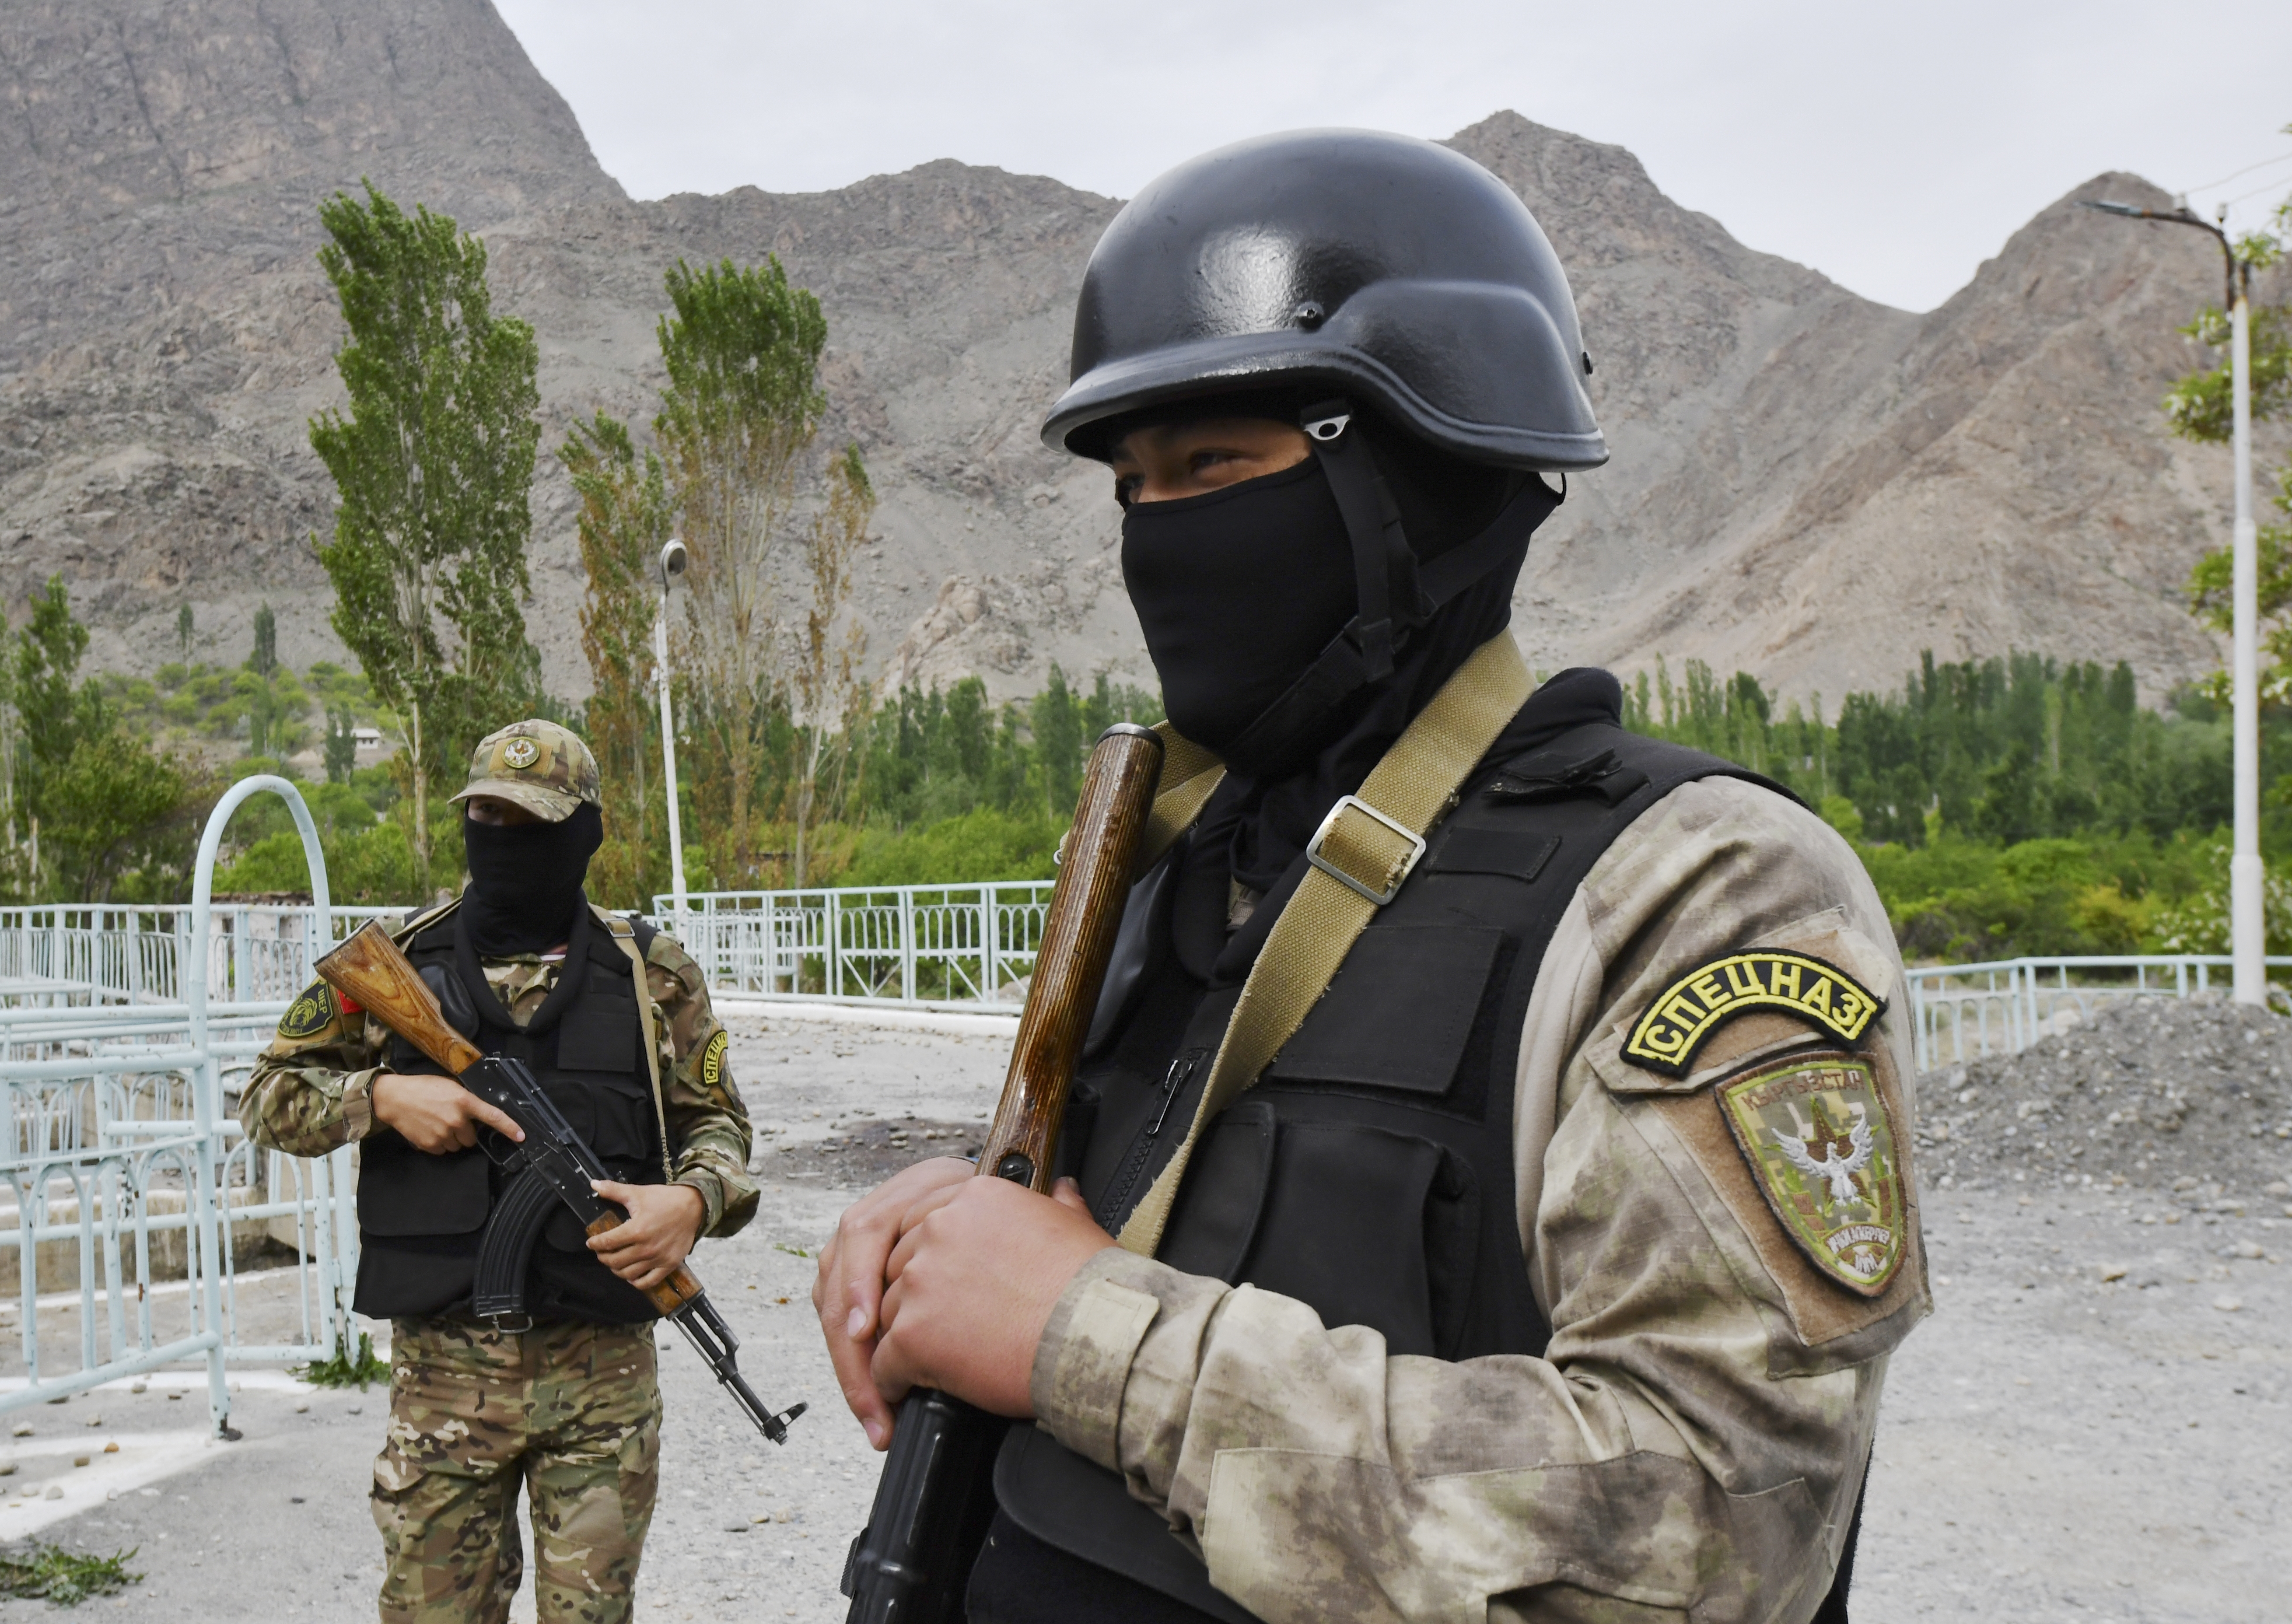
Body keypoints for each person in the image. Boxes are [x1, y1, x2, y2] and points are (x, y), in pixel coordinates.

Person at [816, 130, 1928, 1624]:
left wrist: (1083, 1336)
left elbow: (1718, 1525)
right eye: (1131, 487)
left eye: (1214, 466)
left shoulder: (1693, 890)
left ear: (1419, 476)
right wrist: (965, 1215)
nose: (1161, 535)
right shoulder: (1185, 868)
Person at [243, 719, 756, 1624]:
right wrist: (383, 1098)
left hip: (602, 1382)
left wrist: (693, 1198)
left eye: (532, 821)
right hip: (443, 1384)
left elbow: (717, 1122)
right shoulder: (395, 964)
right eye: (486, 815)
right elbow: (267, 1095)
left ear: (585, 832)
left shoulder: (651, 970)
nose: (505, 837)